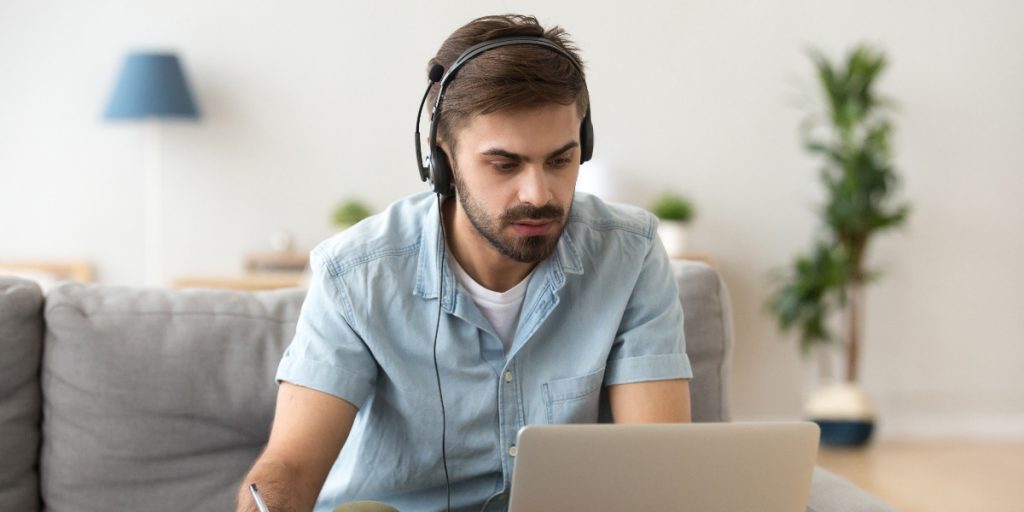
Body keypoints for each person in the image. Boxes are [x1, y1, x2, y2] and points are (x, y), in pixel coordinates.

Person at [237, 14, 692, 512]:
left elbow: (659, 470)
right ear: (442, 159)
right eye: (504, 164)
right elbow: (290, 469)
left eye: (560, 160)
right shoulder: (354, 276)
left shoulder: (631, 256)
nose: (538, 194)